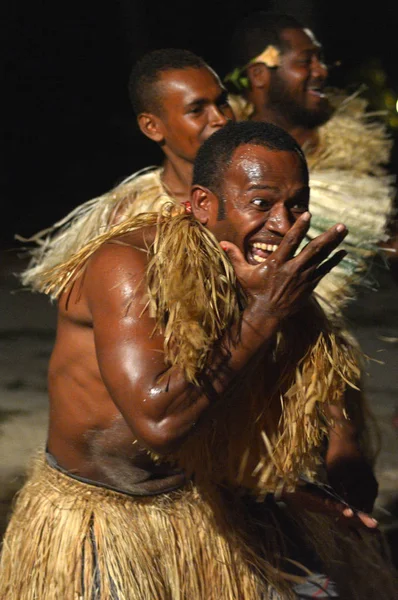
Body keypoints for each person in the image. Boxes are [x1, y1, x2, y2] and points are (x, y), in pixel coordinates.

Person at [1, 121, 396, 599]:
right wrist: (265, 311)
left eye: (296, 204)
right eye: (261, 203)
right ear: (205, 205)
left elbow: (301, 389)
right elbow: (159, 422)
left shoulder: (264, 273)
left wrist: (312, 477)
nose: (282, 222)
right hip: (104, 523)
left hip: (205, 501)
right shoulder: (128, 265)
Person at [18, 47, 234, 290]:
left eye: (222, 102)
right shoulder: (128, 220)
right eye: (197, 110)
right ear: (152, 126)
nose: (221, 118)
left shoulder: (268, 191)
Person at [224, 11, 397, 311]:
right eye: (306, 61)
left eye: (321, 60)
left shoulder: (362, 156)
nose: (322, 71)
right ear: (259, 75)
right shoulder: (222, 160)